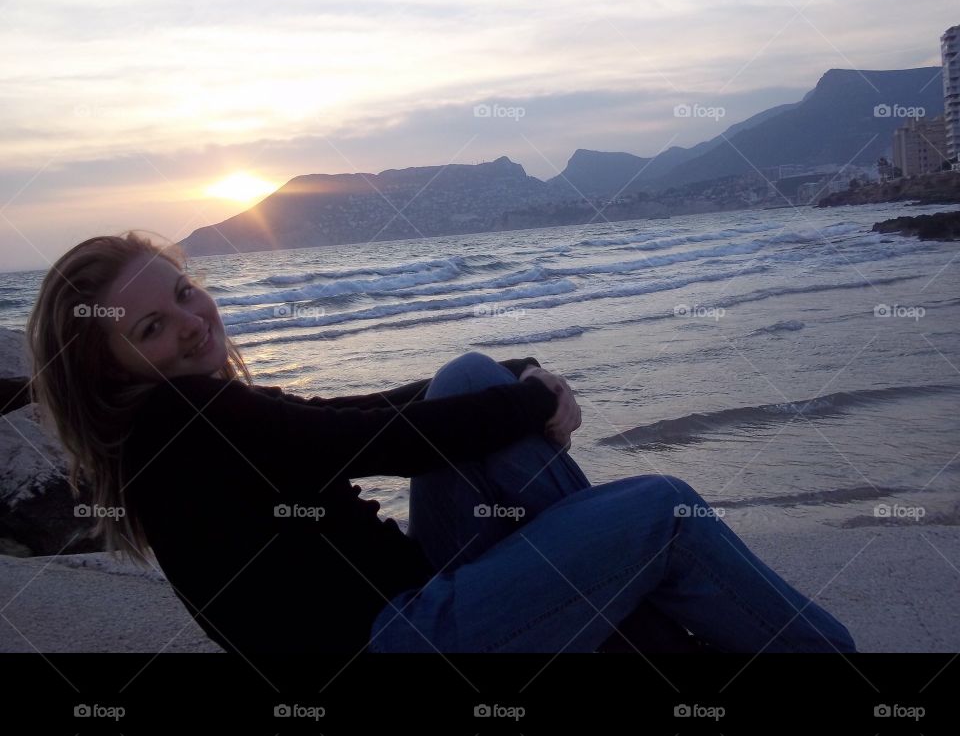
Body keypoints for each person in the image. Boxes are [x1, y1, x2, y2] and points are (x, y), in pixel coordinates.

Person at [26, 230, 857, 656]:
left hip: (411, 603)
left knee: (464, 376)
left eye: (183, 292)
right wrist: (528, 402)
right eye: (151, 327)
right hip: (393, 644)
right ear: (108, 368)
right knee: (662, 510)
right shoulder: (181, 423)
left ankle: (616, 622)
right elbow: (379, 439)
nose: (190, 323)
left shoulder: (198, 414)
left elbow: (353, 412)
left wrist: (515, 378)